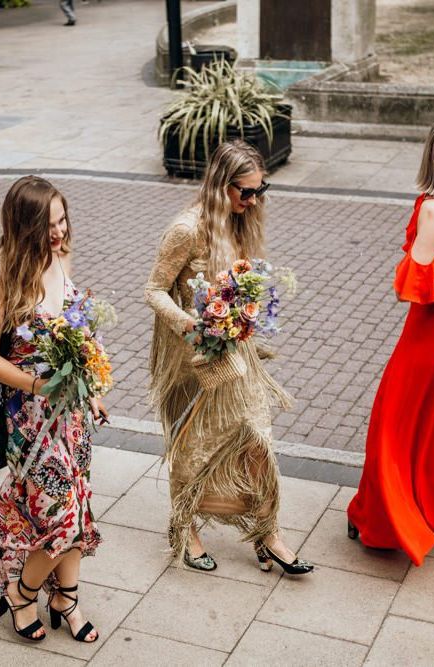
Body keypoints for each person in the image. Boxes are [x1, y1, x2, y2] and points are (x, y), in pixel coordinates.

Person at [144, 140, 313, 576]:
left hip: (236, 353)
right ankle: (186, 529)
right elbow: (154, 291)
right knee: (193, 447)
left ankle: (267, 531)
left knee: (257, 436)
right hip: (192, 358)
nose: (253, 200)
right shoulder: (186, 229)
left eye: (261, 190)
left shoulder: (242, 223)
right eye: (246, 191)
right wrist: (189, 324)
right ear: (222, 186)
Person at [0, 176, 104, 643]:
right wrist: (37, 384)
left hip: (71, 411)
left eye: (63, 220)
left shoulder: (61, 257)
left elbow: (74, 331)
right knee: (61, 512)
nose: (60, 232)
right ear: (24, 226)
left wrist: (90, 387)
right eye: (49, 225)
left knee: (79, 503)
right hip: (29, 416)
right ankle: (20, 593)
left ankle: (66, 596)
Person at [347, 118, 434, 564]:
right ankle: (374, 513)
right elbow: (410, 287)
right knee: (402, 429)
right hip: (428, 342)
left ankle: (402, 510)